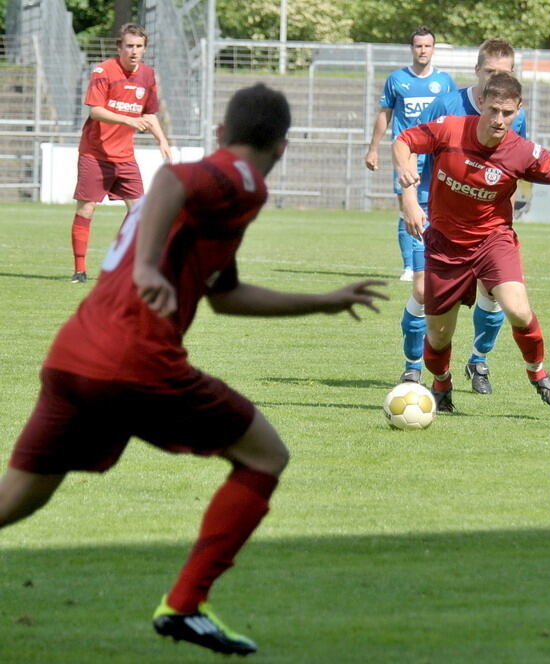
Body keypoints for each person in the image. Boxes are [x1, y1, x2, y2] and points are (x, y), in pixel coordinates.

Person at [0, 84, 386, 655]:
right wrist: (150, 267)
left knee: (17, 499)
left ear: (220, 131)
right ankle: (184, 604)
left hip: (73, 356)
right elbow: (173, 179)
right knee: (266, 455)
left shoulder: (222, 192)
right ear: (281, 147)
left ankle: (186, 606)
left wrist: (322, 300)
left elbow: (224, 295)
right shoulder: (243, 178)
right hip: (138, 362)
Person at [393, 72, 550, 413]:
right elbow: (404, 141)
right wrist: (409, 195)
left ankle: (537, 372)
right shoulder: (450, 129)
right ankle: (441, 383)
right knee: (439, 335)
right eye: (494, 110)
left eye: (508, 113)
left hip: (492, 241)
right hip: (444, 244)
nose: (499, 120)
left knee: (517, 307)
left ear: (518, 111)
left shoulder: (522, 152)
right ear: (480, 103)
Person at [398, 38, 528, 395]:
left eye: (503, 74)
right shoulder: (447, 103)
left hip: (486, 221)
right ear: (477, 71)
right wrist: (408, 198)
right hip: (432, 208)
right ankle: (412, 368)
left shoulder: (515, 114)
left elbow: (516, 165)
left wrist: (511, 211)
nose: (495, 81)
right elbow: (411, 145)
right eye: (489, 73)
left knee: (494, 292)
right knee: (425, 291)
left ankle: (478, 360)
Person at [69, 23, 172, 284]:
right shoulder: (104, 70)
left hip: (124, 156)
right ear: (120, 47)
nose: (134, 51)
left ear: (144, 49)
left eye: (139, 46)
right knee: (87, 209)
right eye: (129, 46)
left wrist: (162, 140)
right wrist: (127, 121)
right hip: (95, 153)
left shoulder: (148, 75)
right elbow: (95, 110)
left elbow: (149, 113)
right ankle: (80, 270)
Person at [364, 26, 456, 282]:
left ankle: (436, 261)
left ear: (433, 49)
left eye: (427, 46)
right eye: (418, 46)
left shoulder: (445, 82)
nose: (423, 50)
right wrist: (373, 148)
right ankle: (410, 266)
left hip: (437, 155)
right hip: (407, 155)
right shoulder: (397, 79)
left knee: (439, 208)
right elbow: (385, 114)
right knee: (408, 207)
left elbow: (454, 116)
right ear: (411, 48)